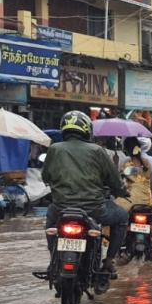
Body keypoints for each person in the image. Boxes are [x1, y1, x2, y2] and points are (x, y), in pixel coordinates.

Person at [42, 110, 129, 277]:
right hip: (95, 209)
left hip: (61, 208)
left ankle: (53, 258)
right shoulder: (98, 150)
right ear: (87, 130)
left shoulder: (54, 149)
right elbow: (114, 180)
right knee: (122, 217)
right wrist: (121, 191)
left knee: (50, 224)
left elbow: (45, 176)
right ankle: (109, 261)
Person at [121, 137, 152, 254]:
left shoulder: (125, 163)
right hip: (149, 201)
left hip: (129, 201)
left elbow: (120, 180)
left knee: (117, 222)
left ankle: (118, 241)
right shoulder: (151, 162)